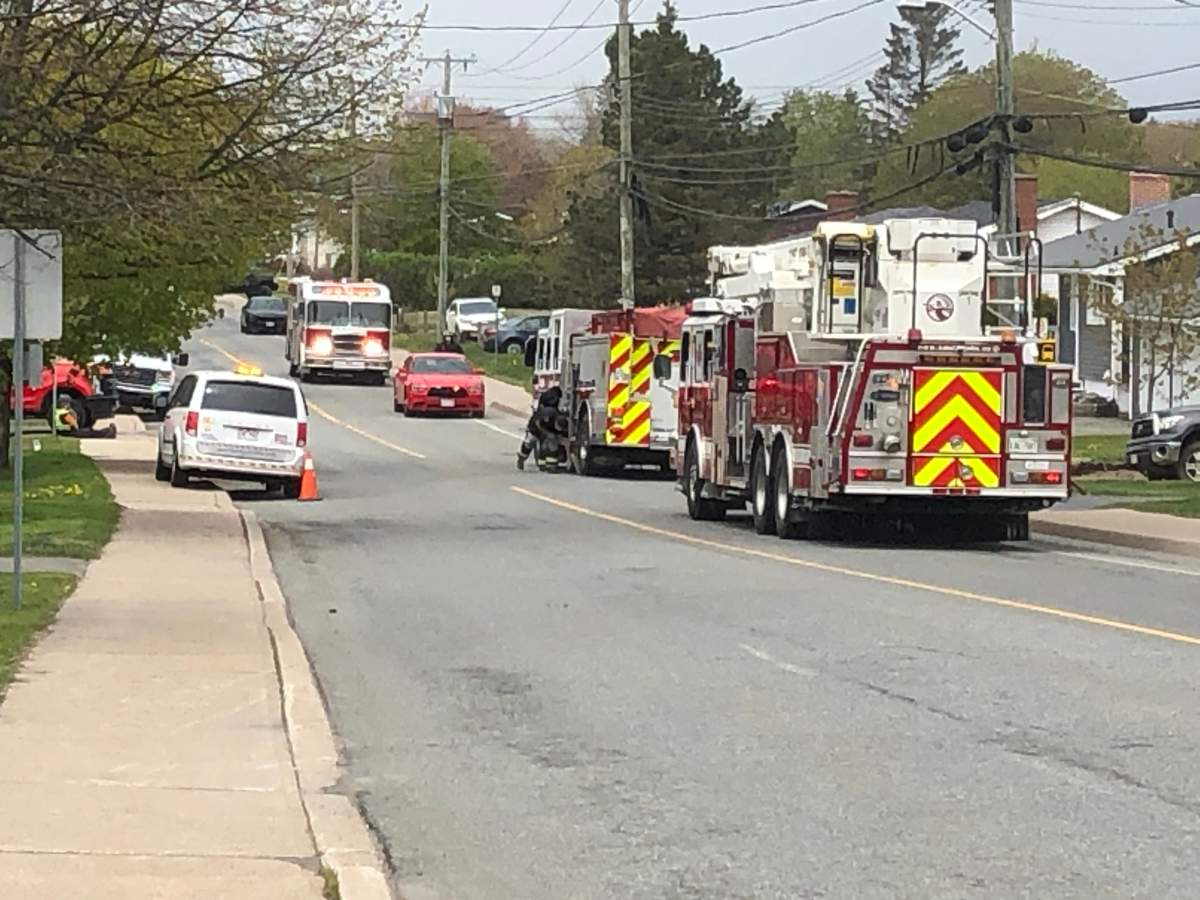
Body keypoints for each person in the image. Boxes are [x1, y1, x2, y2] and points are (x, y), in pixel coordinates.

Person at [517, 385, 563, 471]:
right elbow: (538, 423)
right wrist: (546, 433)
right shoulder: (549, 413)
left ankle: (548, 465)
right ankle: (522, 458)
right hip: (535, 429)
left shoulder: (554, 411)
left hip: (545, 428)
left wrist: (554, 434)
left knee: (549, 444)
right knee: (529, 444)